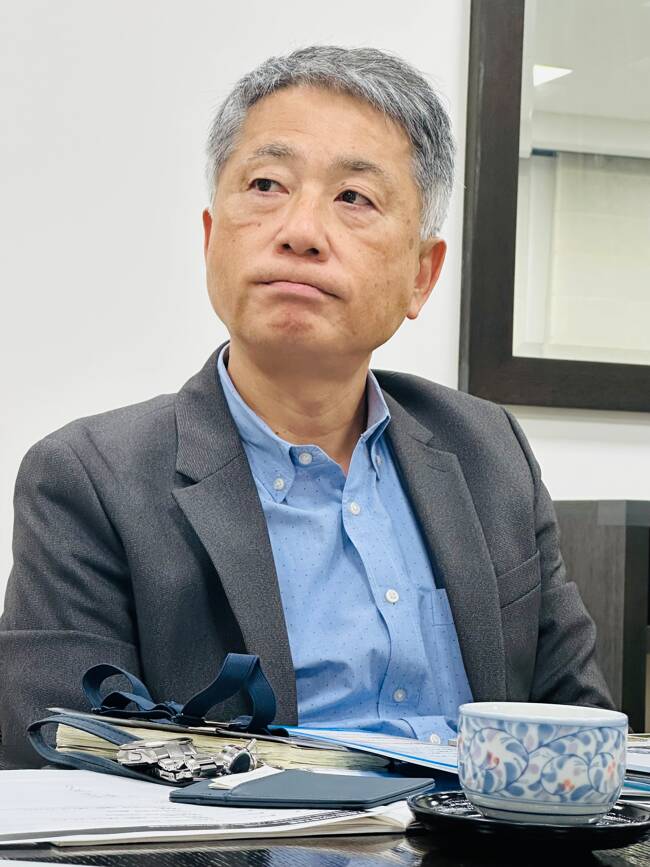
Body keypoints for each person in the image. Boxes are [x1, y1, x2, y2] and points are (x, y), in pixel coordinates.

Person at [0, 46, 613, 758]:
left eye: (354, 198)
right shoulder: (91, 478)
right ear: (211, 240)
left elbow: (582, 734)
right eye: (266, 184)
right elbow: (62, 760)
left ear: (422, 274)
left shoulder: (488, 452)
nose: (299, 232)